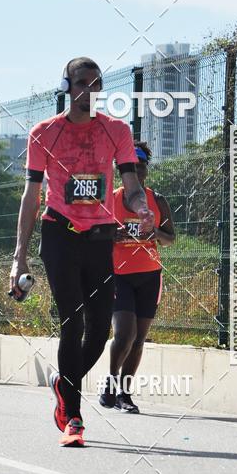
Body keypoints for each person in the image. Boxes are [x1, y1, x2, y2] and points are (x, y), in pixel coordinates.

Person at [10, 57, 154, 447]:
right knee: (72, 323)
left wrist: (141, 207)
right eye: (81, 83)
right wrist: (18, 256)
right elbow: (31, 194)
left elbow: (131, 183)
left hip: (100, 238)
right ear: (67, 87)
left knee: (99, 330)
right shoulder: (44, 133)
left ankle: (62, 381)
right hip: (59, 235)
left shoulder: (116, 131)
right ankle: (73, 417)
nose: (89, 91)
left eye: (96, 84)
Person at [100, 142, 175, 413]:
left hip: (149, 276)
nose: (136, 173)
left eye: (140, 168)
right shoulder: (110, 199)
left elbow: (170, 239)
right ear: (122, 172)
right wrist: (111, 235)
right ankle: (110, 382)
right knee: (124, 335)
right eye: (130, 168)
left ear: (146, 170)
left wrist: (154, 232)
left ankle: (125, 394)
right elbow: (92, 234)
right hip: (119, 275)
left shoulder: (159, 201)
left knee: (139, 338)